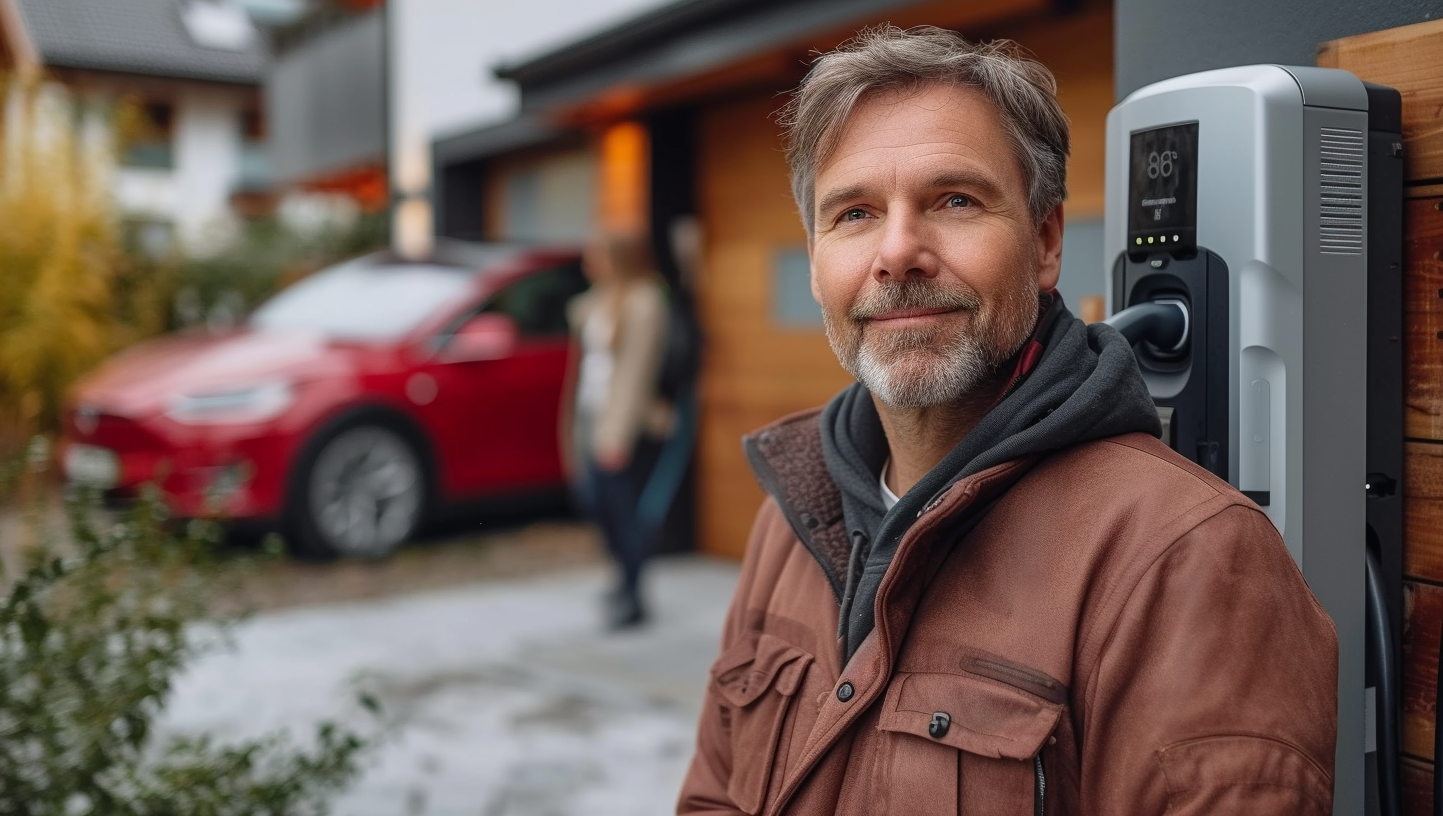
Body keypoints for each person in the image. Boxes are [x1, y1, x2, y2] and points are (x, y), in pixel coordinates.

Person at [678, 25, 1337, 815]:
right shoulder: (793, 511)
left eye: (954, 200)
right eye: (853, 213)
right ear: (816, 261)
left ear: (1046, 241)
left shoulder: (1184, 557)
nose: (898, 252)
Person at [563, 230, 671, 629]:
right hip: (592, 414)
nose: (588, 262)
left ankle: (633, 595)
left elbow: (634, 374)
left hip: (624, 421)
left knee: (625, 512)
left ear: (619, 257)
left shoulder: (644, 300)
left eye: (597, 254)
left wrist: (617, 436)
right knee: (597, 505)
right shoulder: (601, 298)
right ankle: (621, 580)